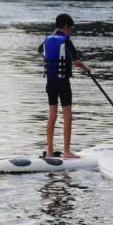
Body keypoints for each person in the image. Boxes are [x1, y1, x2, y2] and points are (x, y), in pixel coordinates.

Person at [37, 13, 89, 159]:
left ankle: (49, 151)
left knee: (52, 114)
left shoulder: (47, 39)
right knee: (67, 115)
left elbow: (40, 50)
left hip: (50, 81)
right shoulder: (66, 40)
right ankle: (67, 151)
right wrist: (87, 69)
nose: (70, 32)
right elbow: (77, 61)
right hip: (63, 82)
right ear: (66, 27)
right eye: (70, 29)